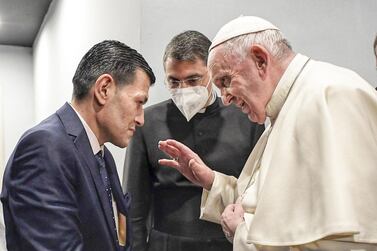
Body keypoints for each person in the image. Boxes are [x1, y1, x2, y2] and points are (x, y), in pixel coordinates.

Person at [158, 16, 377, 250]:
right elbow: (267, 209)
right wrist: (213, 182)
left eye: (225, 80)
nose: (225, 98)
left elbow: (349, 242)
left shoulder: (331, 95)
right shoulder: (281, 109)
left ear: (260, 60)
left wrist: (241, 236)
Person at [1, 40, 155, 251]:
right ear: (104, 89)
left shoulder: (102, 154)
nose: (140, 119)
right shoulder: (45, 147)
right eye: (139, 102)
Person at [123, 30, 264, 251]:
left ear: (211, 73)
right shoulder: (147, 121)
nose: (184, 89)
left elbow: (258, 192)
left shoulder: (246, 117)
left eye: (193, 80)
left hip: (227, 242)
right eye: (174, 81)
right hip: (166, 244)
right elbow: (135, 205)